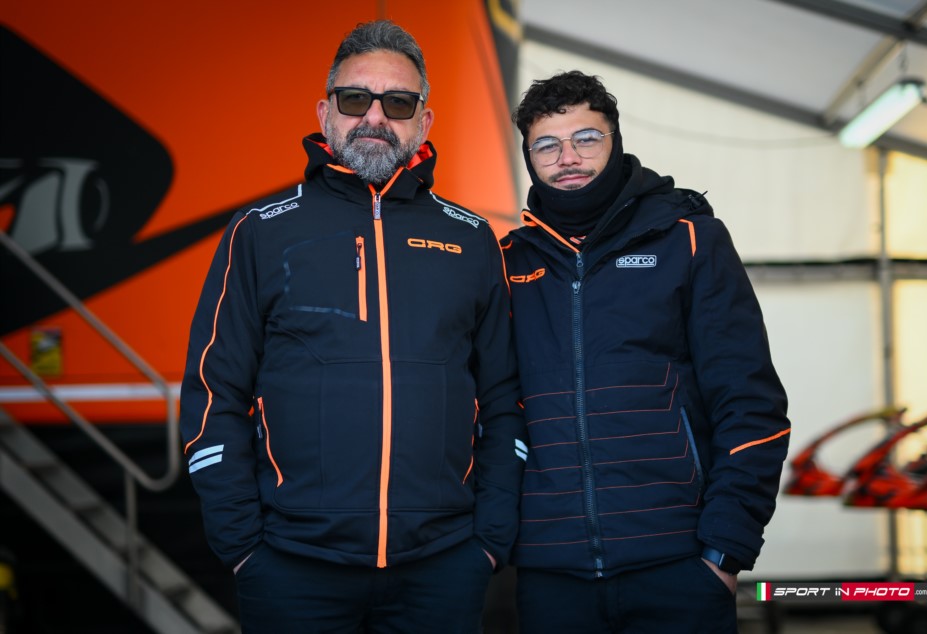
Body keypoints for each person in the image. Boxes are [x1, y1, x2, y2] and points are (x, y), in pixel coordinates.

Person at [179, 20, 526, 634]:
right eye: (354, 98)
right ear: (325, 112)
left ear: (424, 122)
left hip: (442, 567)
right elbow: (214, 391)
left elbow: (506, 397)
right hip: (291, 568)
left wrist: (488, 543)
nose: (374, 117)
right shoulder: (259, 231)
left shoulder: (471, 239)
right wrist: (243, 547)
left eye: (398, 103)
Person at [500, 70, 791, 633]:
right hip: (549, 572)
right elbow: (493, 410)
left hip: (680, 565)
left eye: (586, 138)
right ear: (529, 157)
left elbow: (751, 405)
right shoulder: (507, 262)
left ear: (615, 140)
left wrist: (724, 551)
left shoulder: (690, 239)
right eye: (546, 144)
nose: (568, 157)